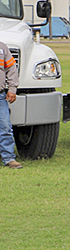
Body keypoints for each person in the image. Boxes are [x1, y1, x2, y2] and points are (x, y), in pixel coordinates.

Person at [0, 41, 22, 169]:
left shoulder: (2, 48)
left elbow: (11, 69)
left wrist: (12, 89)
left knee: (5, 127)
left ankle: (9, 158)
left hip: (0, 96)